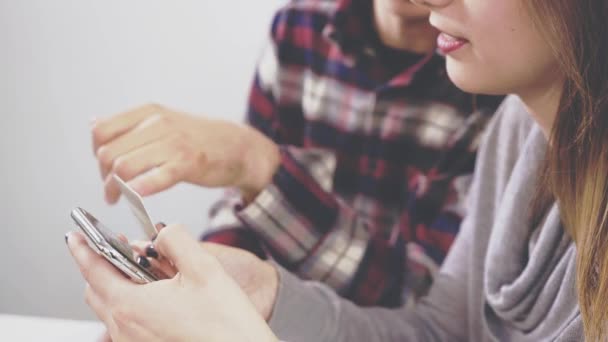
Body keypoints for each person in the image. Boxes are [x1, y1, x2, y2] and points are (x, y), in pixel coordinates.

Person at [66, 0, 608, 340]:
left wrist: (263, 168)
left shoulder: (481, 90)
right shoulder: (517, 129)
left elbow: (409, 291)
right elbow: (443, 329)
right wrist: (260, 290)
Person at [90, 0, 501, 308]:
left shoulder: (491, 78)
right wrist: (202, 275)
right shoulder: (301, 25)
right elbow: (243, 207)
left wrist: (261, 167)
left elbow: (429, 307)